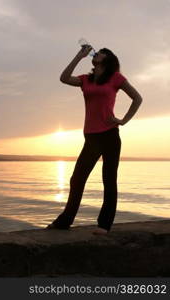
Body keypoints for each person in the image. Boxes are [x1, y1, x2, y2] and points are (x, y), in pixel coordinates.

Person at [46, 44, 142, 235]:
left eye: (101, 52)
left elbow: (137, 98)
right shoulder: (86, 80)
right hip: (91, 136)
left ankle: (104, 225)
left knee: (109, 179)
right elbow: (64, 78)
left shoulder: (116, 78)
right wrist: (78, 56)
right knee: (77, 178)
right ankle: (65, 221)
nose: (97, 52)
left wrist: (123, 120)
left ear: (107, 59)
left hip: (110, 135)